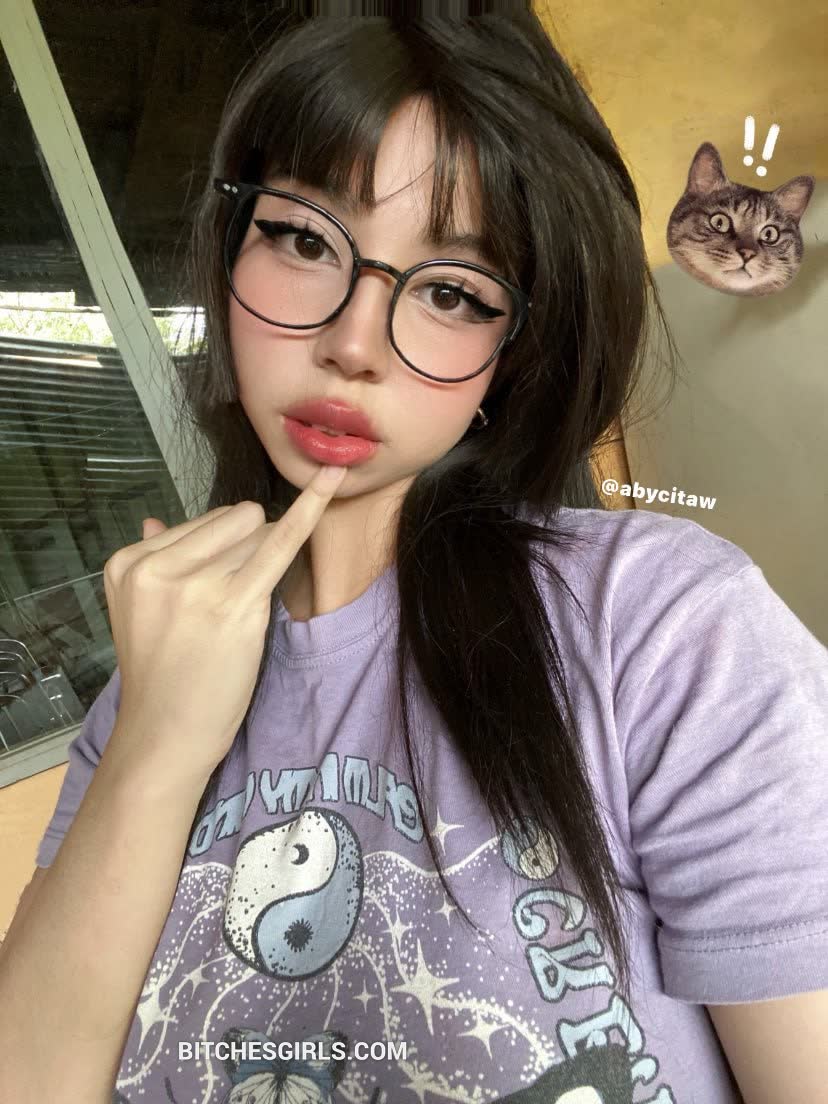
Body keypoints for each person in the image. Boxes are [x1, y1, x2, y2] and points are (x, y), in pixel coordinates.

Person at [1, 10, 826, 1104]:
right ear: (231, 244)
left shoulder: (666, 626)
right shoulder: (142, 697)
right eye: (304, 240)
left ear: (508, 357)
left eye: (450, 293)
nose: (351, 343)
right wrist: (156, 743)